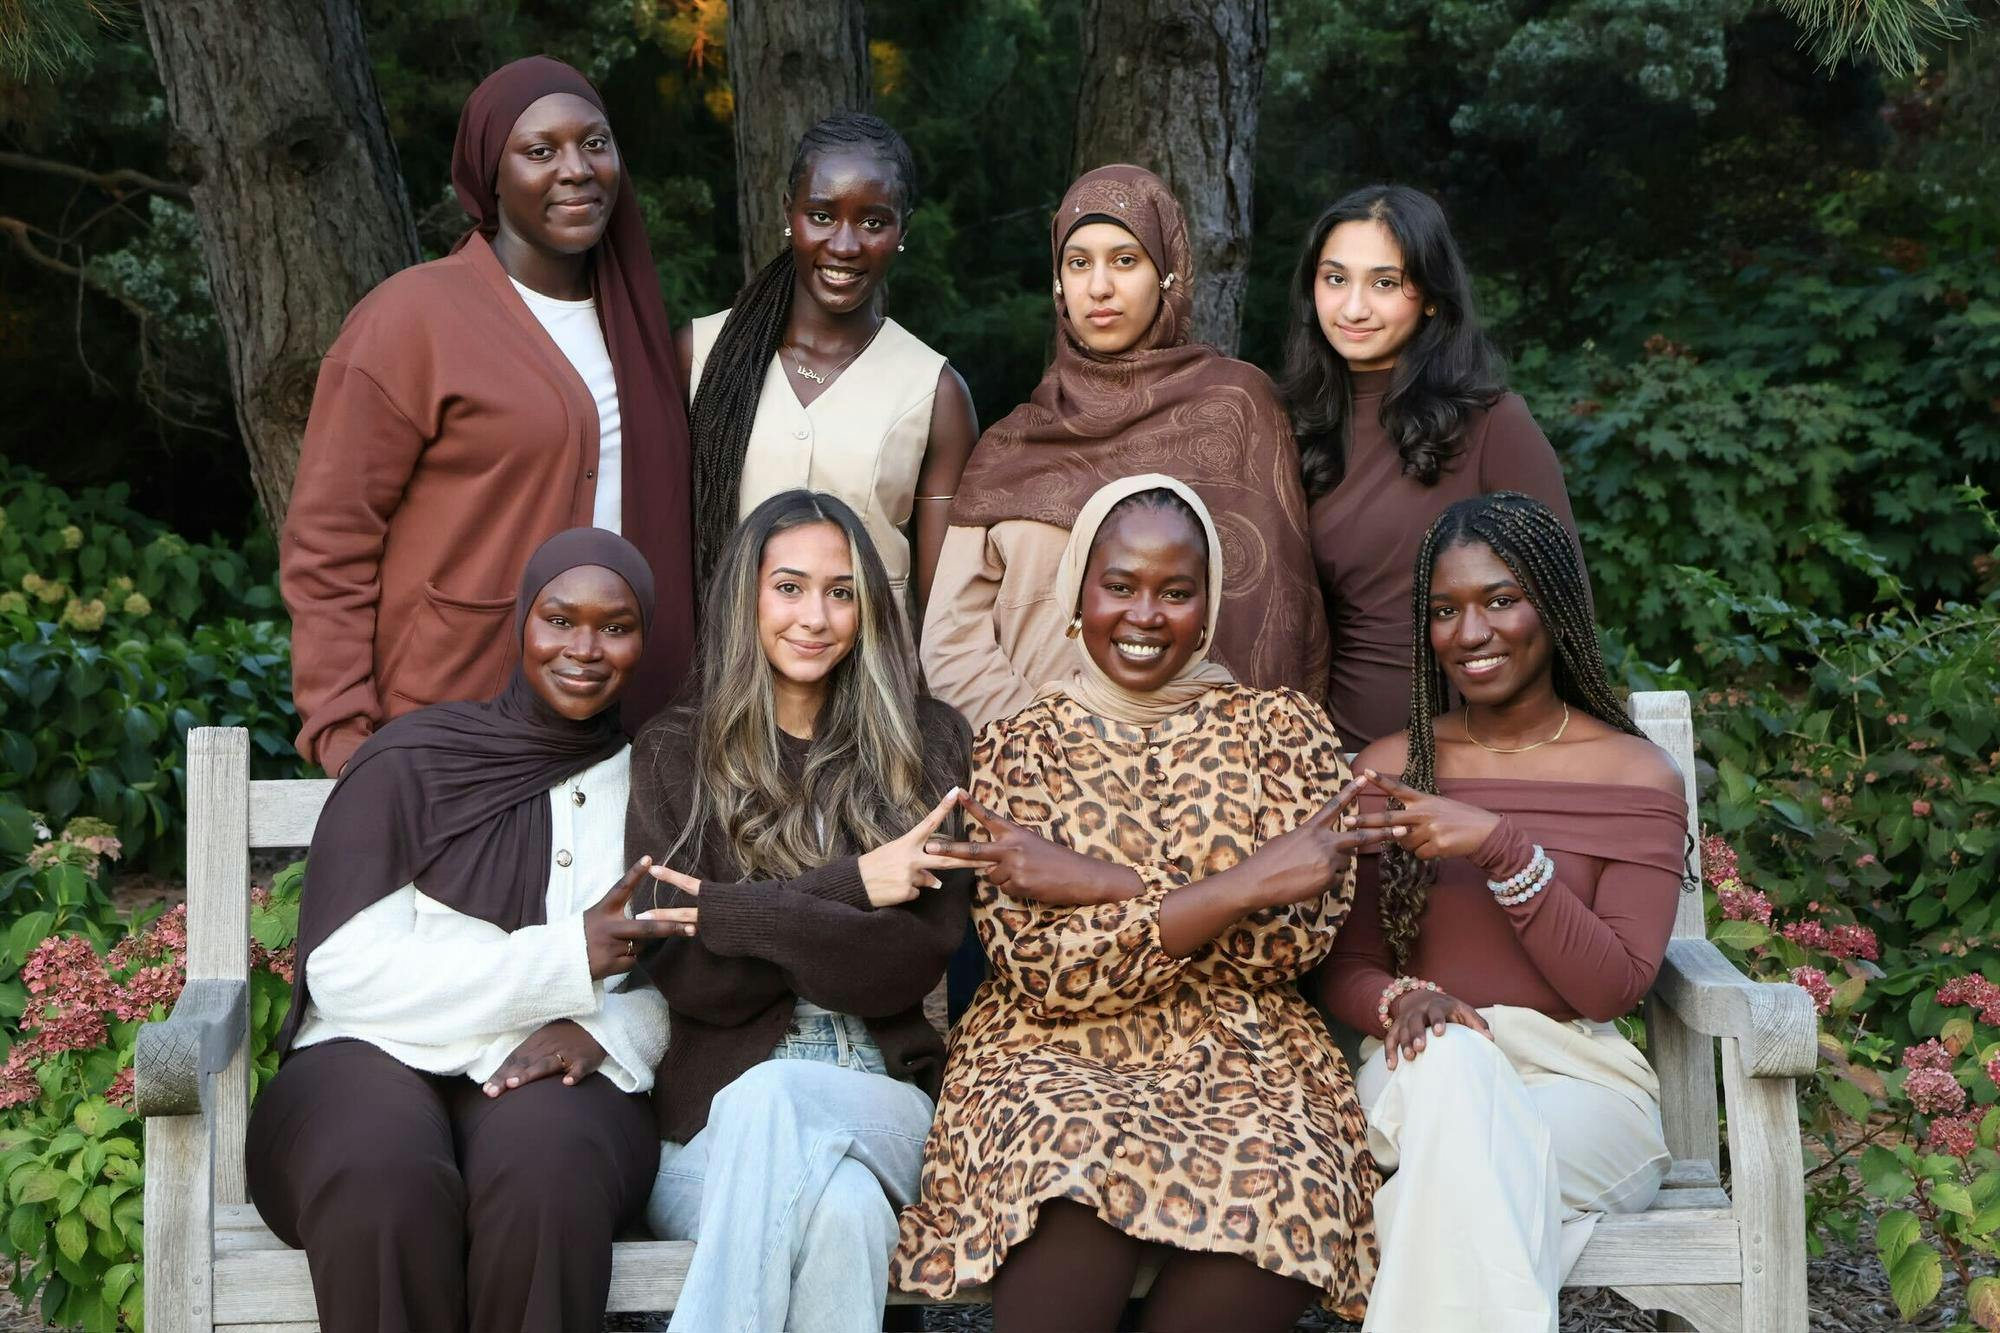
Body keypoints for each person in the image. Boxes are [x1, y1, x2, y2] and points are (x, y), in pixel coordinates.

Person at [894, 476, 1381, 1333]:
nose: (1146, 614)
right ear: (1078, 595)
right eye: (1120, 585)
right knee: (1068, 1158)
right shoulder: (1020, 745)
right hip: (1048, 1050)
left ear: (1211, 604)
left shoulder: (1283, 732)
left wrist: (1095, 882)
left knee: (1284, 1184)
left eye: (1176, 591)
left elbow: (1289, 941)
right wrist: (1242, 884)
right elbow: (1042, 965)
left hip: (1247, 1049)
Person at [245, 528, 677, 1333]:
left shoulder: (658, 783)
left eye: (615, 626)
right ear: (522, 622)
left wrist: (609, 1031)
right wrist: (565, 958)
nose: (584, 648)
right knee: (380, 1174)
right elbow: (345, 974)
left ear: (643, 638)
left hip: (559, 1056)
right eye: (559, 618)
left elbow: (682, 981)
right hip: (362, 1049)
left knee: (547, 1173)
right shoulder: (412, 762)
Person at [1318, 491, 1686, 1333]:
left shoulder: (1634, 775)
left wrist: (1504, 850)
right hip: (1417, 1066)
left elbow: (1610, 989)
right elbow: (1345, 963)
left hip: (1580, 1086)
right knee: (1454, 1066)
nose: (1471, 632)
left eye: (1500, 599)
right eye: (1445, 610)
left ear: (1553, 607)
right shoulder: (1391, 768)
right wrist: (1399, 1001)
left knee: (1456, 1179)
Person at [283, 56, 695, 778]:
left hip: (616, 734)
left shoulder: (640, 330)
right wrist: (345, 732)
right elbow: (330, 545)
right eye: (540, 151)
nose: (576, 169)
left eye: (594, 143)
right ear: (489, 176)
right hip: (449, 721)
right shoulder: (413, 319)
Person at [625, 490, 973, 1333]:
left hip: (885, 1105)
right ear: (746, 598)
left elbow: (901, 966)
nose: (815, 616)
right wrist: (854, 887)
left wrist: (732, 915)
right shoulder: (676, 749)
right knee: (845, 1212)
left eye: (841, 591)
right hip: (711, 1132)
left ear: (868, 608)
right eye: (789, 587)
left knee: (774, 1096)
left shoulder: (926, 744)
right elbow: (692, 976)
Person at [922, 164, 1328, 734]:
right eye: (1079, 262)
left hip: (1206, 781)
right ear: (1058, 281)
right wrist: (1049, 746)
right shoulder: (1014, 444)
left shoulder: (1236, 407)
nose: (1100, 287)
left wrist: (1188, 758)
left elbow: (1276, 615)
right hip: (1034, 776)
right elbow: (951, 639)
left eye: (1125, 260)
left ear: (1166, 274)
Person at [1281, 184, 1584, 750]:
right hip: (1334, 758)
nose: (1353, 307)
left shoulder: (1495, 427)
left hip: (1484, 759)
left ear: (1430, 297)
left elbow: (1565, 614)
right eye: (1336, 278)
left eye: (1385, 283)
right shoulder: (1290, 428)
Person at [681, 113, 978, 613]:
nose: (844, 245)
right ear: (788, 213)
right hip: (721, 676)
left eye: (873, 222)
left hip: (868, 683)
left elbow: (944, 609)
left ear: (904, 227)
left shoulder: (935, 392)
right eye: (821, 216)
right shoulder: (701, 353)